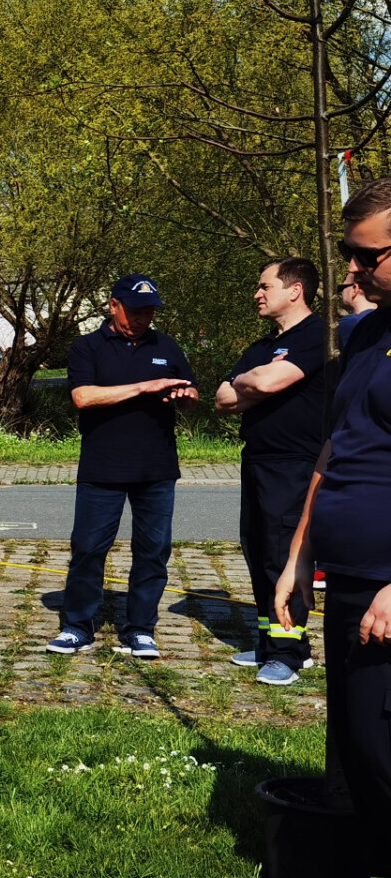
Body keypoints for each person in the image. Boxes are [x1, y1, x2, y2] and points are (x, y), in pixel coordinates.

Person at [275, 178, 391, 878]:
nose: (348, 274)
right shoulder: (367, 339)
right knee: (360, 759)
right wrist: (298, 554)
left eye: (364, 258)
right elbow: (334, 451)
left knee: (386, 759)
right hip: (347, 580)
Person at [44, 274, 197, 657]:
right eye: (136, 310)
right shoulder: (87, 347)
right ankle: (77, 625)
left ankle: (141, 629)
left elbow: (189, 394)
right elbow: (83, 396)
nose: (144, 317)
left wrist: (185, 395)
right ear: (114, 306)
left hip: (157, 467)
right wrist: (145, 387)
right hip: (103, 467)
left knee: (153, 551)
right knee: (89, 549)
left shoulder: (167, 346)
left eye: (150, 311)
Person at [214, 258, 327, 684]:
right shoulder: (263, 346)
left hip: (296, 463)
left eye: (265, 285)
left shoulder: (317, 335)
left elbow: (263, 385)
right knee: (258, 549)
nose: (257, 294)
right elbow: (224, 398)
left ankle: (288, 653)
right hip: (258, 458)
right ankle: (269, 641)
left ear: (295, 290)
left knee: (285, 554)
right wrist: (255, 379)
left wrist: (254, 383)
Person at [340, 273, 379, 347]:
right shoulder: (384, 321)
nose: (341, 292)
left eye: (343, 287)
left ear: (355, 288)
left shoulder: (349, 324)